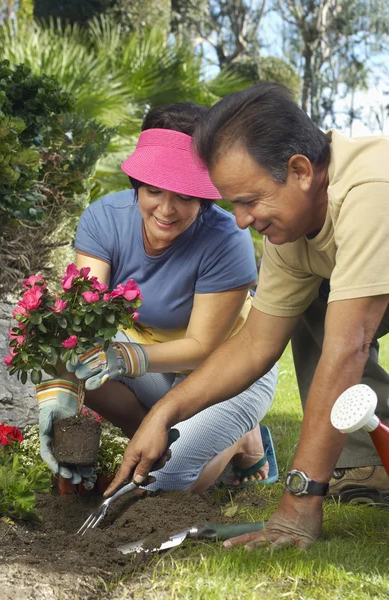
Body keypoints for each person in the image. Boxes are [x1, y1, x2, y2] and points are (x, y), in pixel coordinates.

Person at [107, 83, 389, 549]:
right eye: (232, 203)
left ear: (299, 169)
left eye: (249, 201)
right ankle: (370, 465)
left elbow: (345, 352)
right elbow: (255, 344)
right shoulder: (289, 229)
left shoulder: (370, 193)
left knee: (343, 326)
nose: (240, 221)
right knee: (315, 304)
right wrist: (164, 412)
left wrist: (299, 503)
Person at [36, 102, 278, 492]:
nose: (166, 210)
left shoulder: (227, 240)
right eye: (153, 191)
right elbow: (85, 324)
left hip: (226, 371)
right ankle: (161, 441)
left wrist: (127, 357)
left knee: (161, 485)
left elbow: (202, 349)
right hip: (154, 364)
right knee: (79, 360)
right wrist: (61, 390)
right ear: (137, 185)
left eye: (184, 195)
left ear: (205, 195)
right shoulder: (104, 219)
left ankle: (239, 439)